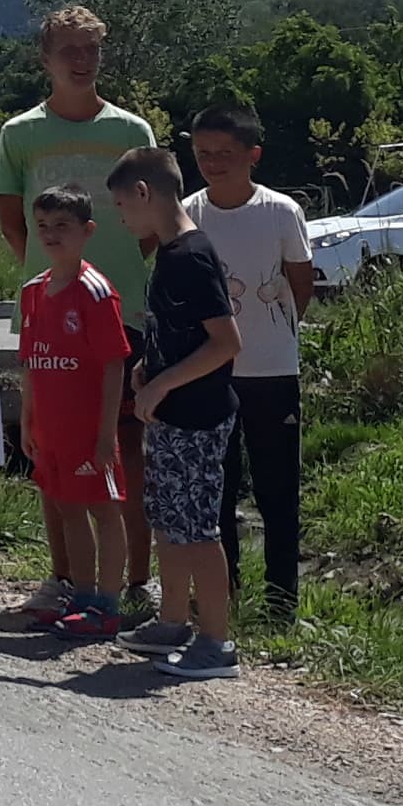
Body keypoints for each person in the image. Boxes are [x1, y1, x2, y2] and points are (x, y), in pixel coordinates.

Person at [0, 6, 164, 613]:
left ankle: (138, 583)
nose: (81, 60)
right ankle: (65, 576)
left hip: (125, 311)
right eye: (68, 49)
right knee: (50, 446)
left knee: (127, 449)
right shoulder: (19, 132)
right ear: (46, 58)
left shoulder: (132, 130)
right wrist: (52, 273)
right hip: (47, 313)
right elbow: (12, 222)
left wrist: (109, 265)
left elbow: (152, 223)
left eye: (90, 48)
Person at [110, 146, 244, 679]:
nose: (121, 218)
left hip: (198, 416)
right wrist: (148, 365)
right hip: (168, 413)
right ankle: (171, 620)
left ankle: (216, 640)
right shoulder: (167, 253)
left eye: (123, 207)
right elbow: (175, 329)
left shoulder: (190, 256)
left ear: (144, 193)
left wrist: (163, 381)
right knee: (167, 518)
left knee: (197, 528)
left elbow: (225, 342)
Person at [185, 104, 315, 622]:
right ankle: (224, 598)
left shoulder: (282, 211)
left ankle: (283, 606)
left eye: (225, 154)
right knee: (217, 490)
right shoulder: (191, 212)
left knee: (277, 490)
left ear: (252, 156)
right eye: (203, 154)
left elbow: (300, 285)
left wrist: (275, 336)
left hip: (272, 372)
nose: (213, 163)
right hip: (211, 373)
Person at [13, 186, 134, 636]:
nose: (51, 234)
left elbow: (113, 362)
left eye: (62, 226)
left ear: (87, 231)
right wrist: (28, 418)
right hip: (50, 427)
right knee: (66, 508)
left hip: (88, 427)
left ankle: (108, 601)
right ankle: (81, 595)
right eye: (43, 226)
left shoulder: (96, 291)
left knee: (103, 509)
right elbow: (30, 361)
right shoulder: (32, 292)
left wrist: (106, 435)